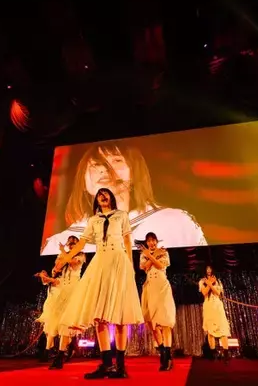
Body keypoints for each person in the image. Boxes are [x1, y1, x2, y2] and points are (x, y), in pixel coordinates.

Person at [41, 143, 206, 255]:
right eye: (96, 164)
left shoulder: (176, 223)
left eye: (116, 160)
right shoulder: (59, 243)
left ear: (134, 173)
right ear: (83, 182)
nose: (105, 169)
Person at [54, 188, 144, 379]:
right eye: (99, 194)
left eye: (106, 193)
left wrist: (131, 266)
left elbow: (127, 240)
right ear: (96, 200)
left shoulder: (121, 215)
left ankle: (120, 367)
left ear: (111, 197)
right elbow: (82, 243)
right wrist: (65, 258)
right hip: (100, 263)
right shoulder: (93, 220)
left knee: (120, 315)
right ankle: (106, 364)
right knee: (98, 316)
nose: (102, 196)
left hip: (118, 261)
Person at [47, 236, 86, 370]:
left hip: (74, 290)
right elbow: (56, 269)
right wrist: (59, 260)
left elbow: (73, 264)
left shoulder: (81, 256)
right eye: (69, 243)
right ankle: (63, 351)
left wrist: (64, 252)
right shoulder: (64, 255)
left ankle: (61, 354)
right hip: (63, 289)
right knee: (58, 322)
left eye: (73, 243)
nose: (71, 245)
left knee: (67, 322)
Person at [139, 232, 176, 371]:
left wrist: (150, 256)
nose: (152, 243)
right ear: (146, 242)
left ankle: (167, 356)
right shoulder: (144, 255)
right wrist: (153, 255)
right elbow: (144, 267)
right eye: (149, 241)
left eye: (153, 240)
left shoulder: (164, 252)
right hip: (150, 287)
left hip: (162, 287)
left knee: (165, 322)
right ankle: (163, 353)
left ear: (156, 241)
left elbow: (160, 266)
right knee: (152, 323)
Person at [199, 265, 231, 362]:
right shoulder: (202, 281)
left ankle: (226, 354)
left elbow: (218, 293)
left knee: (223, 330)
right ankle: (213, 354)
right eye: (207, 269)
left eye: (210, 268)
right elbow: (204, 293)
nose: (208, 270)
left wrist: (211, 284)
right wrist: (209, 283)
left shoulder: (218, 281)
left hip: (217, 306)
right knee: (210, 331)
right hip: (208, 306)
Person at [34, 265, 63, 362]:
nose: (53, 270)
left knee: (52, 329)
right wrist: (43, 274)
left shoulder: (59, 280)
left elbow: (47, 279)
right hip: (49, 307)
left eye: (56, 269)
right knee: (48, 330)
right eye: (53, 269)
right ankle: (50, 350)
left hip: (55, 308)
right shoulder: (51, 282)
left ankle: (48, 352)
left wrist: (41, 275)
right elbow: (45, 281)